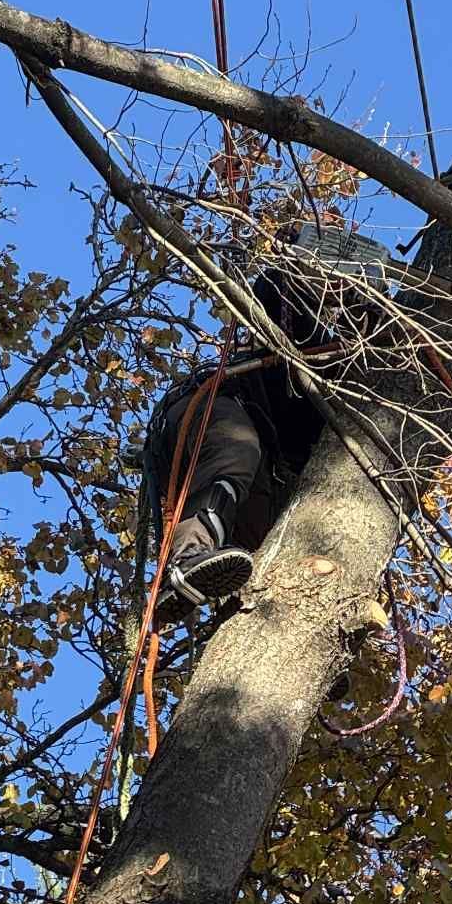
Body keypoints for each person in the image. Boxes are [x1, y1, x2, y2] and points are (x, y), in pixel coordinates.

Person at [144, 222, 395, 618]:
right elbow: (270, 293)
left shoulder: (349, 387)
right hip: (221, 414)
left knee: (296, 538)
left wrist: (372, 313)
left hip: (270, 476)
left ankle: (280, 630)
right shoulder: (286, 323)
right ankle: (188, 558)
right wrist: (299, 264)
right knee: (237, 449)